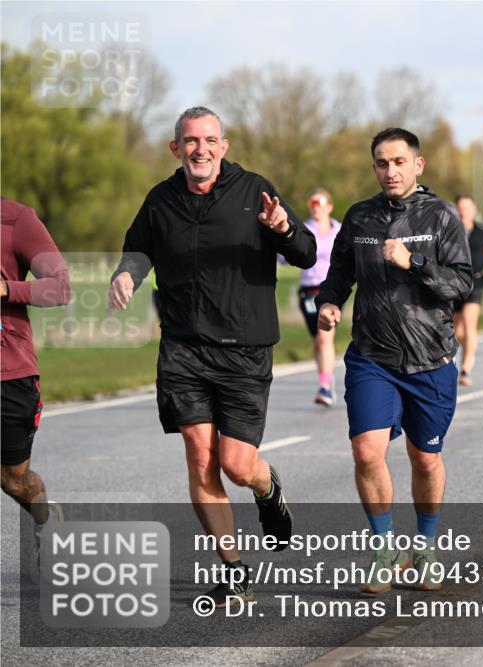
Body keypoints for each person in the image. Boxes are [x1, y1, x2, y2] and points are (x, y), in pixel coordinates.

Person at [109, 107, 316, 607]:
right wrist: (126, 275)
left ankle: (267, 489)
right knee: (200, 457)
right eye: (190, 141)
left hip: (244, 349)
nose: (199, 149)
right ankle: (234, 568)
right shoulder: (160, 200)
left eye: (208, 140)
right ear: (175, 148)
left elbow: (306, 253)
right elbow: (137, 251)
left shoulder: (254, 191)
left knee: (237, 465)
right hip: (183, 349)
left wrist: (284, 229)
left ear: (223, 146)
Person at [315, 128, 473, 594]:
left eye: (399, 162)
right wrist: (330, 302)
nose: (391, 171)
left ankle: (424, 548)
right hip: (372, 356)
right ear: (374, 168)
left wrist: (414, 263)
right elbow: (339, 273)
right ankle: (385, 549)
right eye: (382, 163)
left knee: (425, 459)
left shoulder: (442, 216)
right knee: (367, 451)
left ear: (417, 165)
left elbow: (462, 284)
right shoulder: (359, 217)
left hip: (430, 357)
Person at [1, 198, 72, 551]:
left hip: (8, 373)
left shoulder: (16, 220)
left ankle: (45, 518)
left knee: (13, 479)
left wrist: (7, 289)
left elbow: (61, 287)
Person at [289, 189, 342, 406]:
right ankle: (325, 379)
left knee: (325, 337)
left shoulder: (339, 230)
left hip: (330, 290)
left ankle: (325, 387)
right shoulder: (304, 229)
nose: (316, 208)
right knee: (317, 340)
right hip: (308, 290)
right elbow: (286, 256)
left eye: (320, 203)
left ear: (330, 206)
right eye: (312, 204)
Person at [452, 194, 483, 385]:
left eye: (467, 208)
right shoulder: (450, 230)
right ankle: (467, 350)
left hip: (476, 281)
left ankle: (466, 368)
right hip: (453, 282)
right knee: (457, 330)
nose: (463, 211)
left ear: (474, 211)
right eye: (460, 208)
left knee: (469, 322)